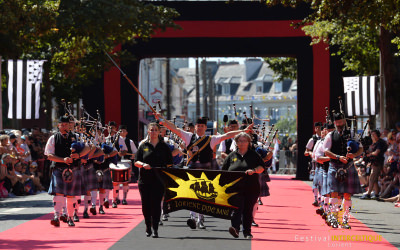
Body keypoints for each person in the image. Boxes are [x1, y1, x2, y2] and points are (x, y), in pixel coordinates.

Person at [156, 114, 253, 230]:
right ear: (195, 127)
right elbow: (175, 129)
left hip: (204, 170)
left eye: (202, 126)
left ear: (206, 128)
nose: (200, 127)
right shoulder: (188, 136)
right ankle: (192, 217)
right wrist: (163, 120)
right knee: (191, 194)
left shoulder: (211, 139)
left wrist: (243, 131)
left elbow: (226, 135)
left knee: (202, 195)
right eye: (198, 125)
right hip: (191, 169)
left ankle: (200, 219)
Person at [45, 116, 90, 227]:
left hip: (73, 168)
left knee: (71, 195)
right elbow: (49, 155)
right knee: (58, 194)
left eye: (66, 124)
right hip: (59, 168)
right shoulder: (53, 138)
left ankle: (70, 217)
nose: (64, 126)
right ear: (58, 125)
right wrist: (62, 160)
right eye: (62, 124)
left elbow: (89, 147)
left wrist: (79, 155)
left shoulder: (77, 137)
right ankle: (56, 216)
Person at [323, 112, 363, 229]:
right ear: (334, 123)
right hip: (335, 166)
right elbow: (326, 151)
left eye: (341, 122)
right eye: (337, 122)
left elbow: (360, 148)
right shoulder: (330, 135)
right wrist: (338, 157)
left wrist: (354, 155)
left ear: (344, 121)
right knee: (334, 193)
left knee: (347, 195)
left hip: (349, 167)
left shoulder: (352, 134)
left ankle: (345, 220)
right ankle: (334, 218)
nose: (339, 124)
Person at [222, 132, 265, 239]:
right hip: (235, 188)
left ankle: (247, 232)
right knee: (237, 208)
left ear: (248, 142)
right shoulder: (231, 156)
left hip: (251, 187)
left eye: (244, 141)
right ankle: (235, 229)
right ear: (236, 143)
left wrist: (254, 170)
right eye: (240, 141)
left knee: (247, 210)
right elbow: (224, 171)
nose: (242, 143)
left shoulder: (254, 155)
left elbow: (262, 167)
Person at [134, 122, 173, 238]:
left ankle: (155, 228)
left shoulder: (164, 147)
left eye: (156, 130)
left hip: (159, 180)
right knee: (146, 205)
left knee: (156, 204)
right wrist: (143, 164)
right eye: (152, 130)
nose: (154, 132)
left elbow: (170, 164)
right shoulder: (143, 145)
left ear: (159, 132)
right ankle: (147, 225)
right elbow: (136, 161)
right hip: (145, 180)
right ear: (148, 131)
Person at [113, 125, 138, 205]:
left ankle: (124, 198)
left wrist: (132, 155)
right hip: (116, 163)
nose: (122, 132)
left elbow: (135, 153)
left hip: (126, 163)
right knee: (115, 182)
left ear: (127, 133)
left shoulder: (130, 141)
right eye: (121, 131)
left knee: (125, 182)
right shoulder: (114, 140)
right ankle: (115, 198)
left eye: (124, 131)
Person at [360, 130, 388, 200]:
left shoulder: (380, 143)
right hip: (373, 162)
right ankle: (376, 194)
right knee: (374, 179)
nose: (372, 136)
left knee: (372, 177)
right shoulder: (374, 143)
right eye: (371, 134)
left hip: (377, 162)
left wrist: (370, 154)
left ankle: (368, 194)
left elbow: (376, 152)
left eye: (374, 134)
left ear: (377, 135)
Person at [305, 122, 323, 206]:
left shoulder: (326, 138)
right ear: (315, 129)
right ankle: (316, 198)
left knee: (323, 181)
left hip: (324, 161)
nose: (319, 130)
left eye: (320, 128)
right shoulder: (313, 139)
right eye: (317, 128)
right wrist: (311, 153)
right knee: (315, 181)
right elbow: (307, 150)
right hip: (315, 162)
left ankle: (322, 198)